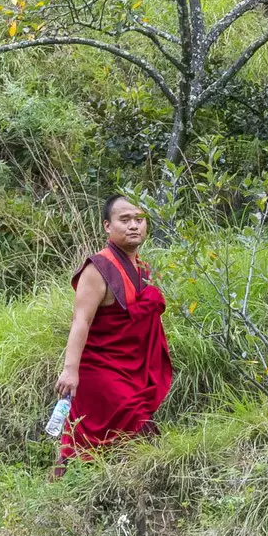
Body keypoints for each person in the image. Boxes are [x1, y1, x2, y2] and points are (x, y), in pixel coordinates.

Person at [53, 195, 174, 477]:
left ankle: (117, 491)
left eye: (139, 219)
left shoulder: (142, 268)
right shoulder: (98, 269)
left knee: (130, 434)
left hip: (132, 369)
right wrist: (70, 371)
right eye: (125, 220)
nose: (134, 226)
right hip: (101, 370)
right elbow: (80, 320)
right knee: (130, 427)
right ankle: (72, 494)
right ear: (108, 226)